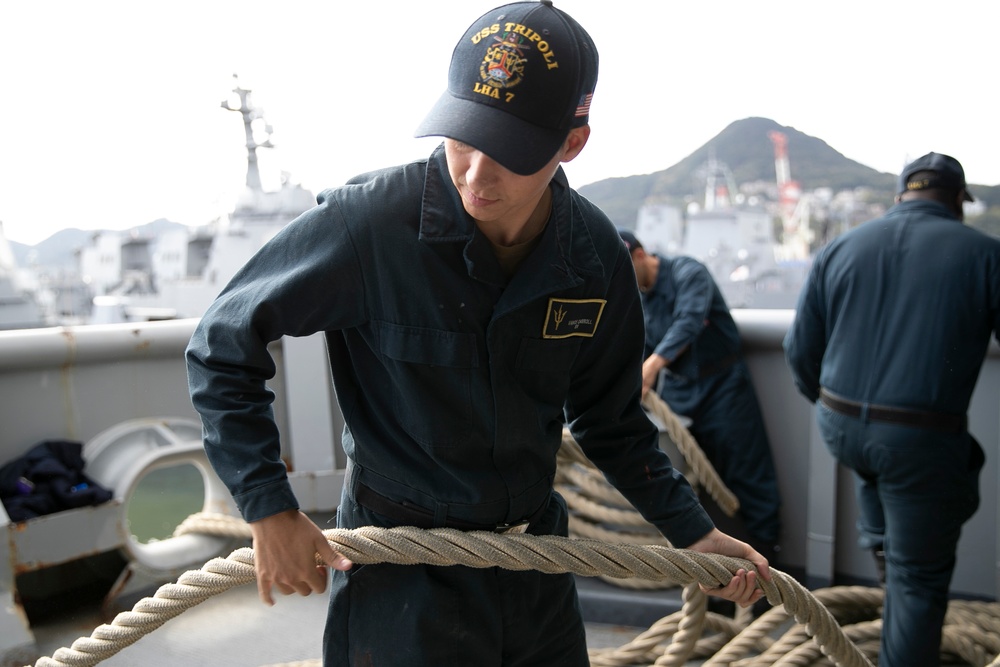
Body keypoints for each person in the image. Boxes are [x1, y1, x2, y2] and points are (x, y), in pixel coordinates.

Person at [185, 2, 771, 664]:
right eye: (463, 137)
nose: (475, 174)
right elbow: (223, 341)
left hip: (536, 570)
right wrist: (268, 507)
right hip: (401, 579)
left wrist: (692, 531)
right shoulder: (370, 225)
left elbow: (611, 421)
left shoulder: (594, 256)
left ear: (571, 143)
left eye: (510, 152)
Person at [784, 152, 998, 667]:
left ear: (901, 194)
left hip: (838, 424)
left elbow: (798, 351)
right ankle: (900, 581)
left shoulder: (842, 246)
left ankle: (883, 547)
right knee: (920, 578)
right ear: (957, 201)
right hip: (917, 437)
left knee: (881, 472)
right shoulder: (985, 254)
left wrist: (835, 409)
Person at [617, 229, 782, 564]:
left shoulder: (688, 272)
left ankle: (768, 573)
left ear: (640, 256)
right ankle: (708, 573)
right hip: (678, 390)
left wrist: (651, 367)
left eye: (624, 270)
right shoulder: (635, 299)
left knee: (749, 477)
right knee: (683, 478)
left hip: (723, 387)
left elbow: (689, 322)